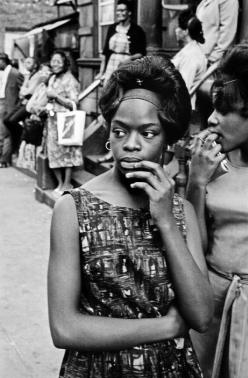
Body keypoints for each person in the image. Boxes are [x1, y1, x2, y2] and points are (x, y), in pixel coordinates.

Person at [48, 55, 213, 377]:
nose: (131, 145)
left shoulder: (181, 212)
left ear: (168, 140)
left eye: (148, 133)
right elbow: (65, 328)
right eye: (120, 131)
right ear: (108, 135)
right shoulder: (73, 208)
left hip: (171, 368)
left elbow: (202, 315)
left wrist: (165, 220)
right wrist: (167, 326)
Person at [186, 44, 248, 378]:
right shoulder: (213, 164)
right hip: (210, 300)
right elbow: (196, 243)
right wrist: (196, 182)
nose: (213, 118)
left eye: (225, 110)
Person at [96, 0, 146, 163]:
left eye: (123, 11)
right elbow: (105, 53)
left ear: (129, 13)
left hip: (128, 69)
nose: (120, 14)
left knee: (121, 108)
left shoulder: (137, 30)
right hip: (112, 67)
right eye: (118, 11)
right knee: (108, 109)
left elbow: (141, 54)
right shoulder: (112, 28)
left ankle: (120, 151)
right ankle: (110, 150)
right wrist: (102, 73)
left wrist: (127, 60)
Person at [46, 50, 83, 194]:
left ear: (65, 64)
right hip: (52, 120)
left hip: (65, 122)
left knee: (66, 153)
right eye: (53, 61)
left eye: (58, 61)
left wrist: (56, 96)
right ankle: (60, 183)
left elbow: (74, 103)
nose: (54, 64)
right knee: (54, 153)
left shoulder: (70, 80)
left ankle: (67, 183)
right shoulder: (52, 78)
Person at [4, 56, 41, 155]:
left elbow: (29, 91)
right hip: (23, 101)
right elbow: (22, 91)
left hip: (30, 103)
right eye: (25, 62)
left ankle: (20, 137)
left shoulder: (38, 76)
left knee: (12, 120)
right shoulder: (28, 75)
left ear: (35, 65)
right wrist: (25, 90)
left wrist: (25, 91)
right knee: (6, 120)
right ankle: (18, 138)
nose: (26, 64)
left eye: (29, 63)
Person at [172, 13, 207, 109]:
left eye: (179, 27)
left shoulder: (190, 56)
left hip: (184, 110)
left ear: (186, 31)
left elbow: (183, 88)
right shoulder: (190, 50)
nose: (176, 30)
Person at [195, 0, 239, 66]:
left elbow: (227, 33)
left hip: (212, 61)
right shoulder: (205, 1)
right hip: (200, 57)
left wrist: (213, 59)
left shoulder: (229, 1)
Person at [0, 52, 23, 167]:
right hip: (2, 103)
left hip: (9, 106)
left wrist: (17, 106)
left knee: (6, 134)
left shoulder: (15, 73)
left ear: (3, 60)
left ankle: (4, 159)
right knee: (2, 133)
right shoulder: (3, 73)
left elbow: (22, 90)